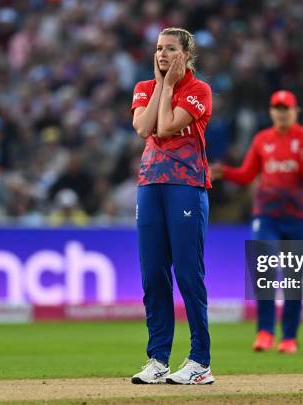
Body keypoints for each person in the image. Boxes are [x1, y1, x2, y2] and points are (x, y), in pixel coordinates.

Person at [211, 90, 303, 354]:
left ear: (295, 111)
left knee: (292, 278)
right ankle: (264, 332)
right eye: (277, 108)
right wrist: (225, 172)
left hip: (299, 217)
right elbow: (246, 175)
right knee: (264, 272)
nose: (281, 112)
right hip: (267, 215)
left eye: (285, 108)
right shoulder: (262, 140)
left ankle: (289, 337)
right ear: (271, 112)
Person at [130, 27, 214, 385]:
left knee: (187, 275)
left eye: (171, 49)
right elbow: (142, 127)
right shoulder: (144, 87)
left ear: (186, 55)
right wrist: (160, 85)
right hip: (150, 184)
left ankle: (200, 361)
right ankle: (158, 359)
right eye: (159, 49)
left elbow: (164, 127)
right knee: (153, 275)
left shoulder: (199, 90)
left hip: (186, 185)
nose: (163, 55)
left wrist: (167, 86)